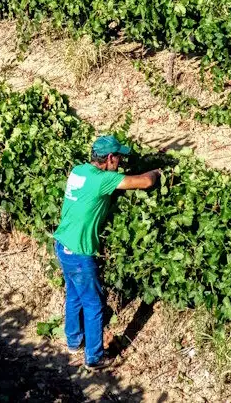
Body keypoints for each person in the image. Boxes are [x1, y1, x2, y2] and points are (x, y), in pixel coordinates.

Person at [53, 135, 161, 370]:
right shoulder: (102, 180)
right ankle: (94, 357)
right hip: (80, 253)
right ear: (110, 158)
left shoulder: (78, 171)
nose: (120, 162)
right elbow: (144, 182)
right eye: (119, 158)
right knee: (93, 305)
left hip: (62, 245)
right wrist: (157, 172)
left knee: (74, 295)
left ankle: (73, 341)